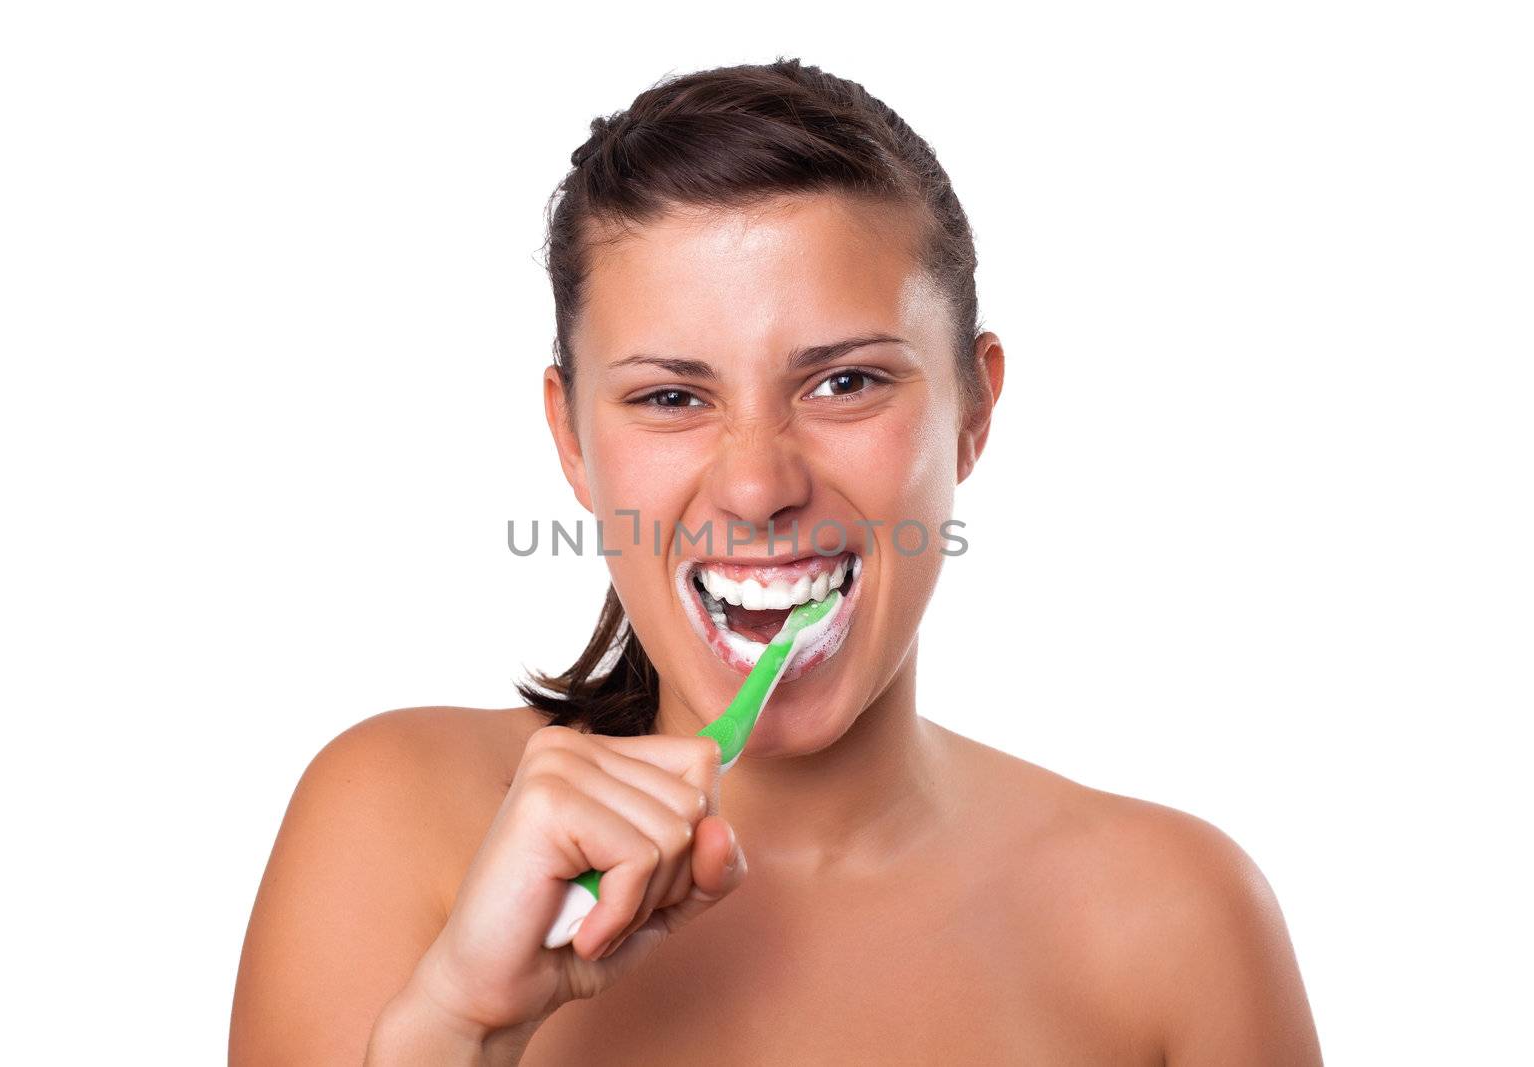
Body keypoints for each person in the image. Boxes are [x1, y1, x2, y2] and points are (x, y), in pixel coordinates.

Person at [230, 56, 1323, 1065]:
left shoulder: (1179, 921)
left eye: (843, 382)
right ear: (571, 439)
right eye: (671, 397)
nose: (757, 486)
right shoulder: (393, 823)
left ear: (974, 409)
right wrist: (457, 1021)